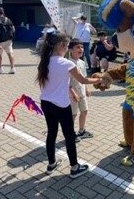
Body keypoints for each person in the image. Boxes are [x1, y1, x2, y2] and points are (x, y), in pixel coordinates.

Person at [36, 29, 103, 178]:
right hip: (61, 105)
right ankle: (74, 168)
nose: (67, 48)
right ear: (60, 45)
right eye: (66, 45)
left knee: (51, 133)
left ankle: (51, 163)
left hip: (46, 103)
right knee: (69, 136)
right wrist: (99, 79)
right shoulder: (66, 63)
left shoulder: (44, 61)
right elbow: (83, 80)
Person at [68, 39, 93, 142]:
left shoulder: (82, 62)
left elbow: (84, 77)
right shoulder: (68, 63)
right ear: (70, 49)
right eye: (78, 47)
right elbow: (66, 82)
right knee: (73, 114)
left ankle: (81, 131)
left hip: (81, 93)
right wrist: (73, 93)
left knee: (84, 111)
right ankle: (70, 134)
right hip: (72, 94)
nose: (81, 49)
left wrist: (87, 88)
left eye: (82, 47)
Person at [0, 7, 16, 74]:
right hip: (8, 40)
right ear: (3, 12)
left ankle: (0, 68)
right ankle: (12, 68)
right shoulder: (8, 19)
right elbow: (13, 29)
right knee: (10, 53)